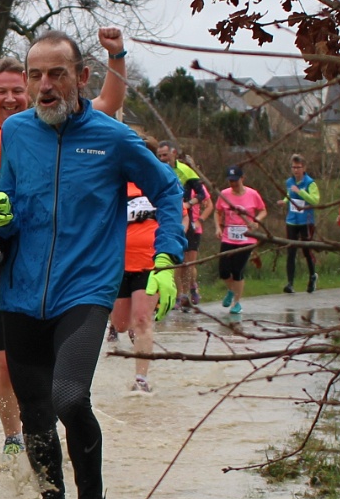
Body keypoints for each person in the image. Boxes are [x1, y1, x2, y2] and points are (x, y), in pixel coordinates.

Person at [0, 30, 185, 499]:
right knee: (35, 419)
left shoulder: (112, 138)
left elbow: (168, 188)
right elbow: (6, 203)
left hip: (86, 290)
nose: (45, 86)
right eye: (35, 75)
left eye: (57, 74)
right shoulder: (16, 131)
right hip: (21, 292)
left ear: (82, 77)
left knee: (70, 398)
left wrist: (166, 257)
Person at [0, 28, 129, 456]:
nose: (12, 98)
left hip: (58, 269)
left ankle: (66, 453)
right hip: (0, 263)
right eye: (2, 91)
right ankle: (15, 438)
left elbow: (108, 104)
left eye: (17, 89)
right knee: (8, 368)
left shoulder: (69, 121)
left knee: (61, 388)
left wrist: (117, 55)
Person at [110, 182, 161, 393]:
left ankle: (141, 380)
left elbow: (180, 216)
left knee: (142, 319)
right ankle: (138, 331)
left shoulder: (158, 183)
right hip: (119, 264)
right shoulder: (115, 185)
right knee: (120, 324)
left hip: (151, 264)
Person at [156, 142, 211, 308]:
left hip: (188, 219)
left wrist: (188, 204)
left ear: (173, 153)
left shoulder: (185, 170)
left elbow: (202, 194)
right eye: (159, 156)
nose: (162, 159)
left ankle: (190, 288)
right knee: (175, 261)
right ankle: (180, 295)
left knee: (188, 263)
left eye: (165, 155)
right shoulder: (157, 170)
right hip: (168, 219)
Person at [213, 165, 267, 315]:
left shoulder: (252, 194)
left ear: (242, 178)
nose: (233, 184)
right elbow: (217, 212)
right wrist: (218, 227)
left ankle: (236, 303)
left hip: (246, 239)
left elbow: (263, 210)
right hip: (228, 237)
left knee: (237, 270)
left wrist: (256, 221)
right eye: (230, 181)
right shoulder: (224, 194)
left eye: (236, 181)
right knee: (224, 271)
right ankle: (232, 291)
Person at [275, 154, 320, 294]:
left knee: (306, 250)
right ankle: (290, 283)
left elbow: (315, 201)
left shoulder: (310, 183)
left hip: (306, 221)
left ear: (304, 168)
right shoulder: (289, 182)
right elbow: (290, 195)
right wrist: (284, 201)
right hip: (292, 220)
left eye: (298, 167)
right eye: (293, 167)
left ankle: (312, 276)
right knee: (291, 251)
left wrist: (300, 192)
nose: (295, 170)